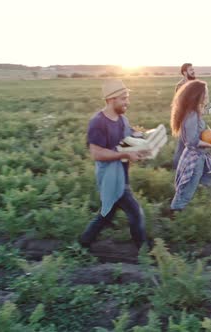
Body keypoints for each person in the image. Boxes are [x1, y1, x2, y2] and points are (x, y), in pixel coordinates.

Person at [79, 79, 151, 250]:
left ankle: (82, 245)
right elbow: (97, 153)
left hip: (121, 173)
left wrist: (142, 139)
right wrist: (126, 153)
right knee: (135, 213)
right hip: (110, 177)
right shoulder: (98, 122)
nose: (128, 101)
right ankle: (144, 252)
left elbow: (127, 136)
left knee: (106, 215)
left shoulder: (122, 119)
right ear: (111, 99)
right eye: (124, 98)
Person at [170, 80, 211, 211]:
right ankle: (175, 215)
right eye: (205, 93)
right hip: (194, 159)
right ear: (198, 95)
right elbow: (191, 141)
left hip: (202, 157)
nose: (207, 95)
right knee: (185, 192)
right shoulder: (191, 115)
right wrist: (209, 144)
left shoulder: (195, 112)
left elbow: (207, 112)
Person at [172, 63, 211, 169]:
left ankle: (193, 166)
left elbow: (206, 101)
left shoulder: (198, 84)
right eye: (190, 70)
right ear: (184, 72)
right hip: (187, 117)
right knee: (185, 143)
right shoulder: (180, 86)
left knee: (190, 142)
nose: (193, 71)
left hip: (197, 115)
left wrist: (207, 109)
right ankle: (178, 168)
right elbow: (179, 103)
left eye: (193, 69)